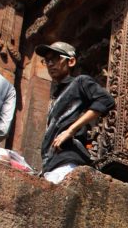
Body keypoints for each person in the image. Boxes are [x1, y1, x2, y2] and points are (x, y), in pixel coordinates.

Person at [37, 41, 114, 184]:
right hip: (52, 162)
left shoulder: (80, 82)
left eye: (56, 58)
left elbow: (106, 100)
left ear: (71, 61)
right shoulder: (57, 95)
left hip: (68, 158)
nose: (50, 64)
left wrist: (71, 130)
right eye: (47, 60)